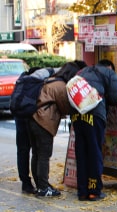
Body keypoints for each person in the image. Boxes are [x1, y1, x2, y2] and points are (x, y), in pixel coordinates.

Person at [27, 62, 85, 197]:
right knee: (44, 155)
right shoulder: (61, 86)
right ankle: (43, 188)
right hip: (44, 121)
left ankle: (40, 184)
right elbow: (66, 107)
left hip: (33, 118)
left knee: (36, 153)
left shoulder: (50, 80)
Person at [71, 59, 117, 201]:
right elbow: (114, 98)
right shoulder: (109, 73)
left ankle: (82, 191)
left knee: (81, 153)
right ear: (109, 67)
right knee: (94, 152)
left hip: (77, 115)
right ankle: (94, 191)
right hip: (95, 115)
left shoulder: (81, 72)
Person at [15, 66, 53, 194]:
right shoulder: (37, 81)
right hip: (31, 117)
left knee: (23, 150)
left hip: (19, 116)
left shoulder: (21, 80)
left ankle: (25, 182)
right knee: (38, 151)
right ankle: (41, 184)